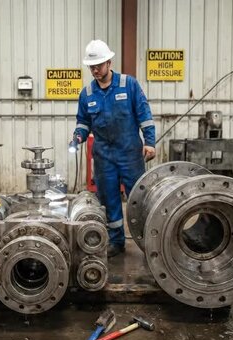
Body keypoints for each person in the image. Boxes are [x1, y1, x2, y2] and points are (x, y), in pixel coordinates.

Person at [71, 40, 156, 258]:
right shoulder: (87, 93)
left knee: (139, 198)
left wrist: (149, 142)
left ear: (109, 62)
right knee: (108, 199)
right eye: (91, 67)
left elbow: (144, 115)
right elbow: (83, 121)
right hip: (103, 156)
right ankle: (117, 241)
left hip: (129, 154)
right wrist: (78, 135)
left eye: (99, 65)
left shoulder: (129, 85)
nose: (95, 70)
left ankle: (150, 242)